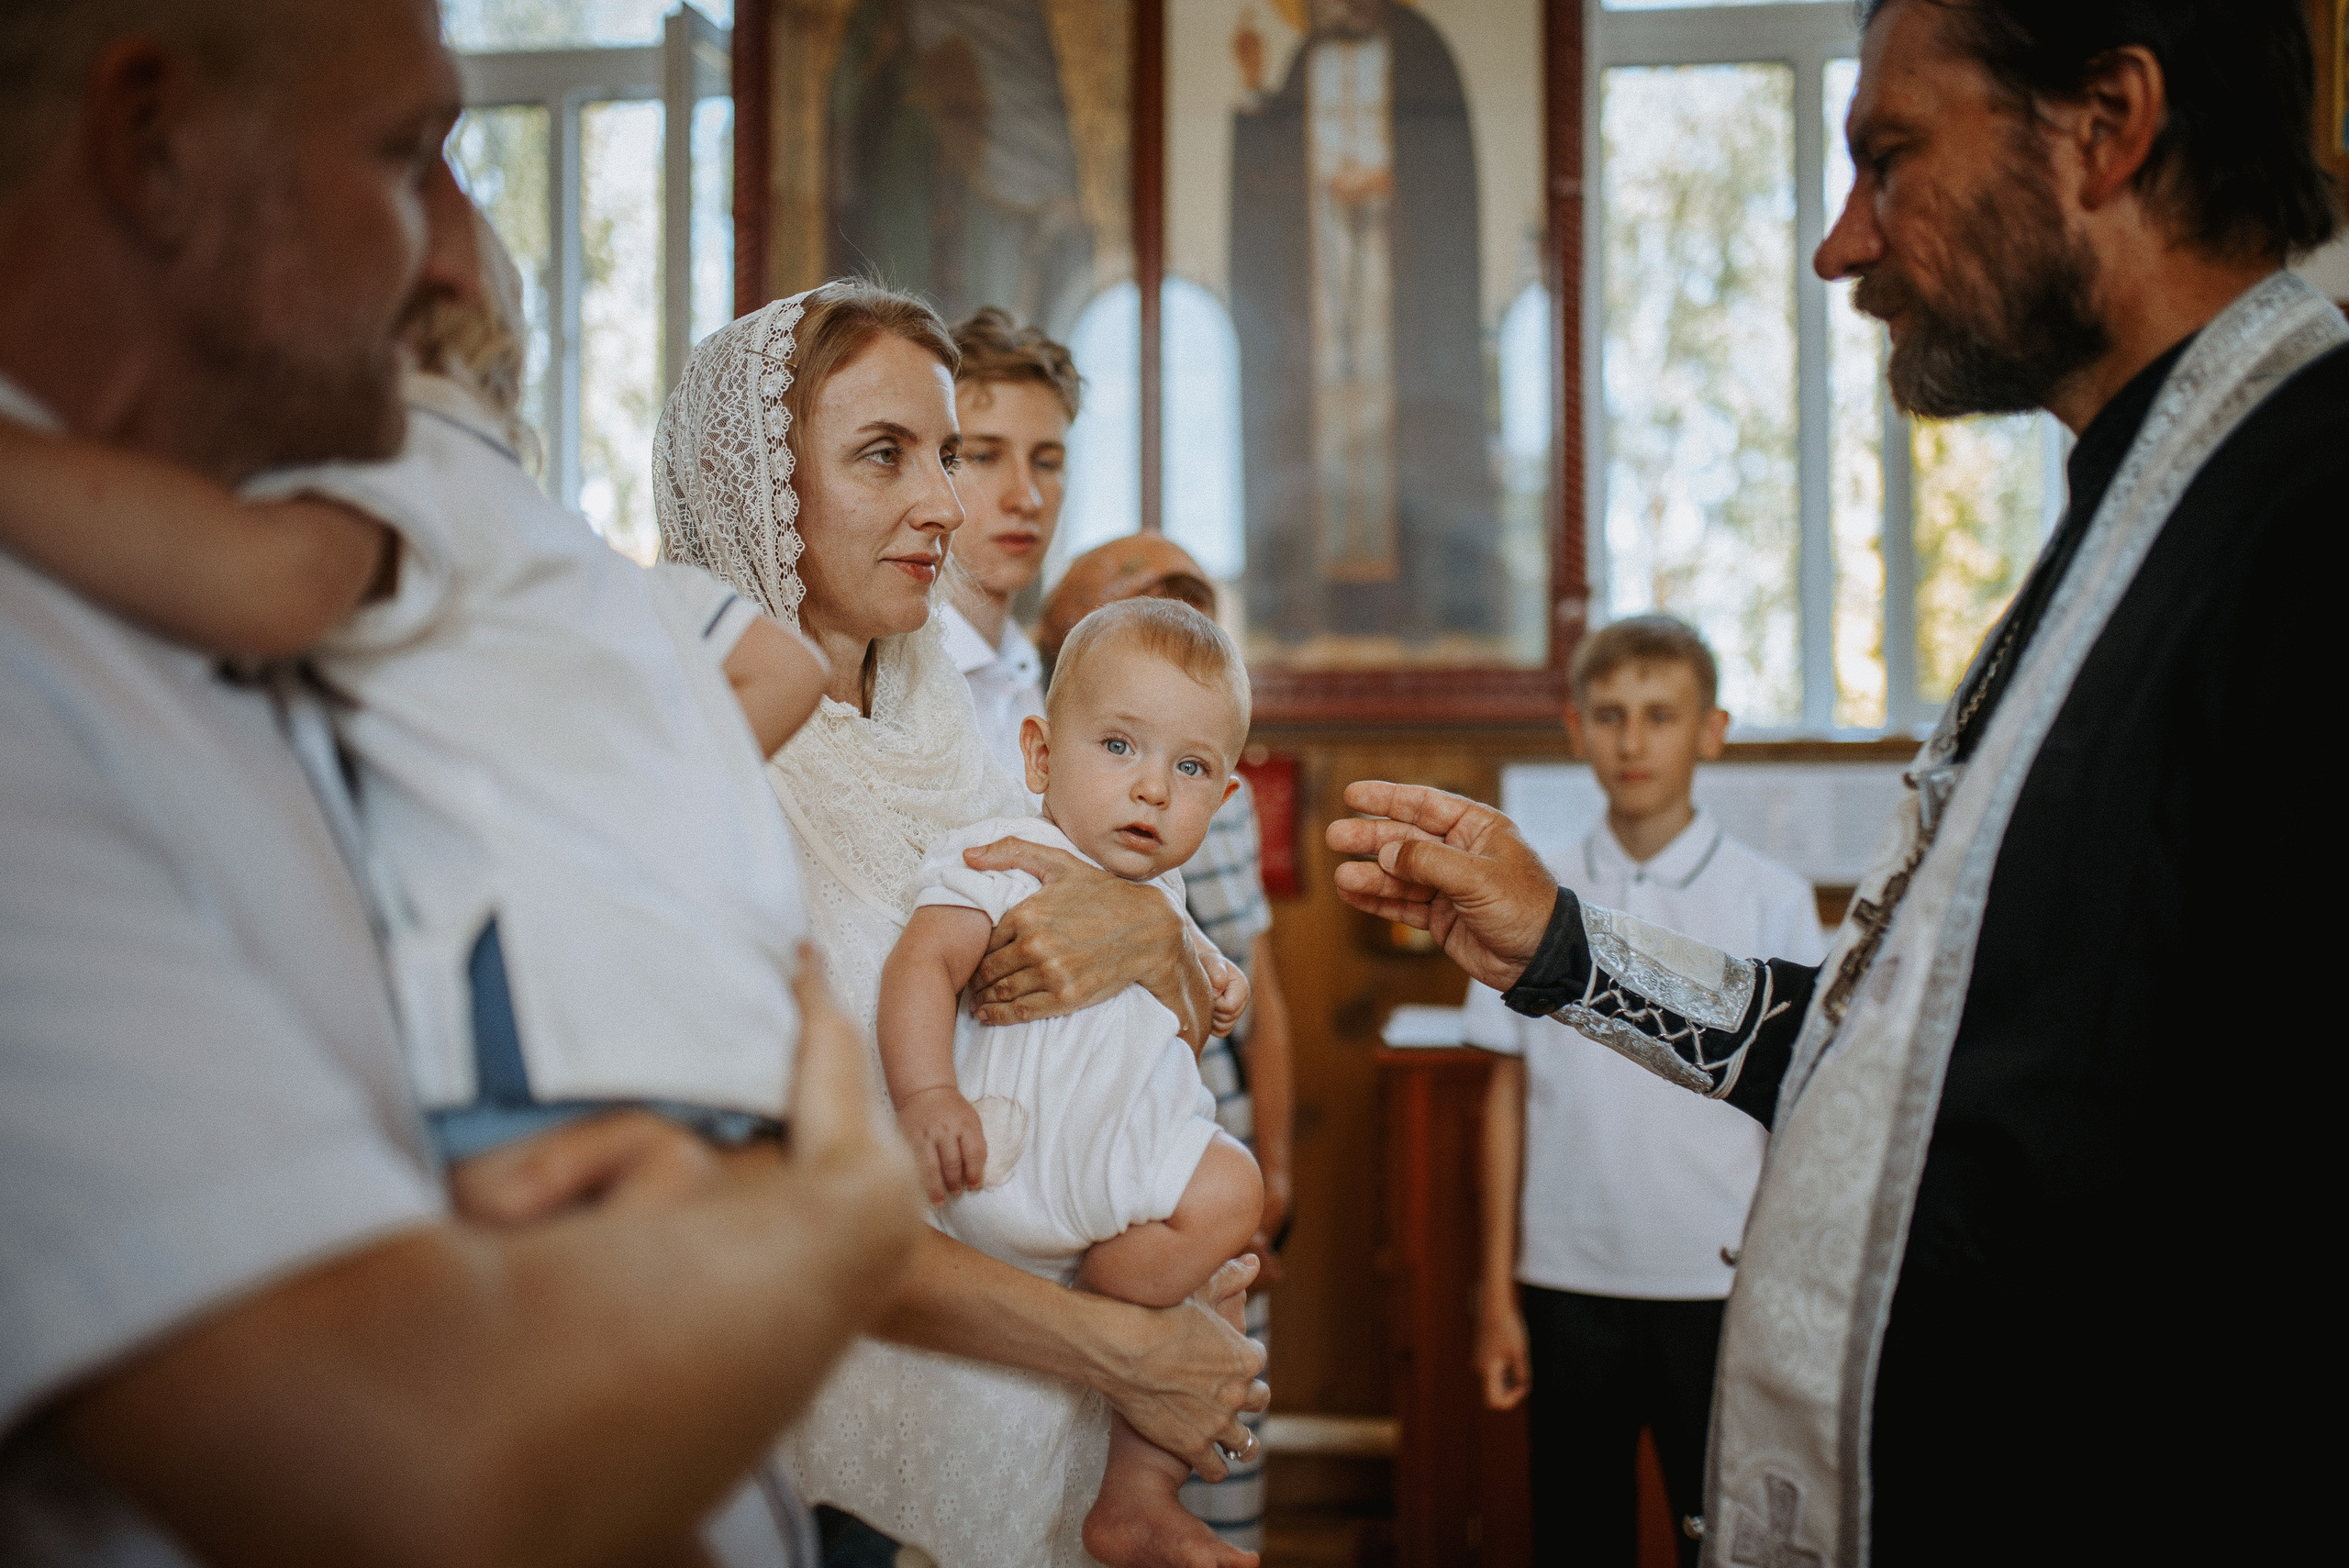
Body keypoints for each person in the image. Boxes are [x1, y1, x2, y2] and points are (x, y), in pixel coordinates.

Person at [1327, 3, 2343, 1562]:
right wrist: (1562, 950)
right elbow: (1908, 1083)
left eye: (1890, 156)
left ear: (2107, 128)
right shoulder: (2145, 508)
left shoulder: (2304, 517)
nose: (1840, 242)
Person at [0, 3, 922, 1563]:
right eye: (404, 156)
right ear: (155, 148)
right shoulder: (63, 648)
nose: (453, 256)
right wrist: (839, 1220)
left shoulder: (320, 561)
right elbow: (418, 1464)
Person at [0, 203, 832, 1169]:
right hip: (707, 1025)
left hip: (556, 1027)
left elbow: (270, 581)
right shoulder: (546, 532)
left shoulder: (395, 449)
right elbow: (788, 666)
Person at [656, 280, 1267, 1568]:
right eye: (887, 454)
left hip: (1039, 1425)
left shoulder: (949, 717)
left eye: (947, 453)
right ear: (757, 482)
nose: (946, 501)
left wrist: (1158, 944)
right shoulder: (695, 754)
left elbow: (1119, 966)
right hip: (842, 1434)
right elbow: (775, 1204)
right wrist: (1129, 1344)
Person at [883, 598, 1264, 1568]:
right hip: (1018, 1165)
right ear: (1041, 755)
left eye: (1190, 768)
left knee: (1225, 1244)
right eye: (1119, 746)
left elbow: (1190, 988)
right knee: (1217, 1234)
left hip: (1113, 1189)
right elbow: (923, 964)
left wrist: (1216, 976)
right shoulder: (1003, 858)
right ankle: (1116, 1310)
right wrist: (927, 1096)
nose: (1152, 787)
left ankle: (1134, 1497)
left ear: (1223, 797)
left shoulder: (1163, 895)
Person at [1460, 617, 1824, 1568]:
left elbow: (1804, 1108)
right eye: (1611, 714)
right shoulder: (1526, 891)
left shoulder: (1771, 897)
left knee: (1725, 1534)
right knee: (1576, 1531)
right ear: (1576, 729)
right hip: (1567, 1273)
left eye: (1660, 715)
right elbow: (1504, 1095)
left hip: (1719, 1279)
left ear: (1712, 730)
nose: (1633, 740)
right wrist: (1496, 1292)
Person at [1041, 535, 1298, 1556]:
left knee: (1215, 1342)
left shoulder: (1188, 820)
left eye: (1191, 763)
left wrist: (1276, 1167)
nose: (1155, 782)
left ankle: (1154, 1499)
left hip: (1180, 1122)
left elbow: (1250, 989)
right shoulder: (1053, 802)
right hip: (1068, 1125)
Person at [941, 306, 1073, 789]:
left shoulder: (1039, 672)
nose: (1027, 498)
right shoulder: (887, 680)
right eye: (984, 456)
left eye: (1046, 462)